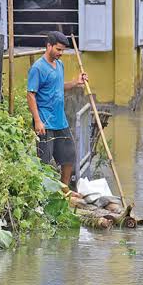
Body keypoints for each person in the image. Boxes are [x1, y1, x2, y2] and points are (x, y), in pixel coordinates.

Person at [26, 31, 88, 186]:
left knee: (69, 155)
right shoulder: (38, 68)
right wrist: (38, 121)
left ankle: (64, 190)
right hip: (45, 122)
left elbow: (59, 87)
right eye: (58, 49)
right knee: (44, 161)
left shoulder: (59, 65)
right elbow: (31, 95)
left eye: (63, 50)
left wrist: (76, 82)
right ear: (49, 46)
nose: (61, 53)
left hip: (60, 120)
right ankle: (43, 196)